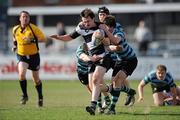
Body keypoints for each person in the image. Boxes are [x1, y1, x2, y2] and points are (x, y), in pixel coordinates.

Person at [50, 8, 112, 115]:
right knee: (93, 87)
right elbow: (69, 37)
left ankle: (92, 106)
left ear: (93, 19)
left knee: (96, 80)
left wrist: (101, 37)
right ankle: (110, 89)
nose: (86, 23)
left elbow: (108, 43)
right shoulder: (81, 27)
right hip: (92, 59)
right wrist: (58, 37)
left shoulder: (100, 26)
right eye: (84, 21)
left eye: (88, 21)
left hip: (103, 57)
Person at [98, 6, 136, 107]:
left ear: (108, 16)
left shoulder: (115, 26)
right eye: (100, 15)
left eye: (104, 15)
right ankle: (107, 98)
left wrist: (108, 45)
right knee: (98, 76)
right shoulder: (98, 27)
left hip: (117, 56)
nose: (102, 16)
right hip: (107, 56)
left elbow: (117, 42)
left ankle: (127, 93)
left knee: (117, 81)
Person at [12, 11, 46, 107]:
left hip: (34, 56)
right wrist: (15, 46)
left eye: (27, 17)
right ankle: (25, 95)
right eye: (23, 17)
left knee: (36, 79)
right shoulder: (15, 29)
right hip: (22, 55)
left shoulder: (33, 28)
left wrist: (31, 40)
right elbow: (15, 39)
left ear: (29, 18)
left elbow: (43, 39)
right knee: (21, 74)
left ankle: (40, 96)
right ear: (20, 18)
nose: (25, 18)